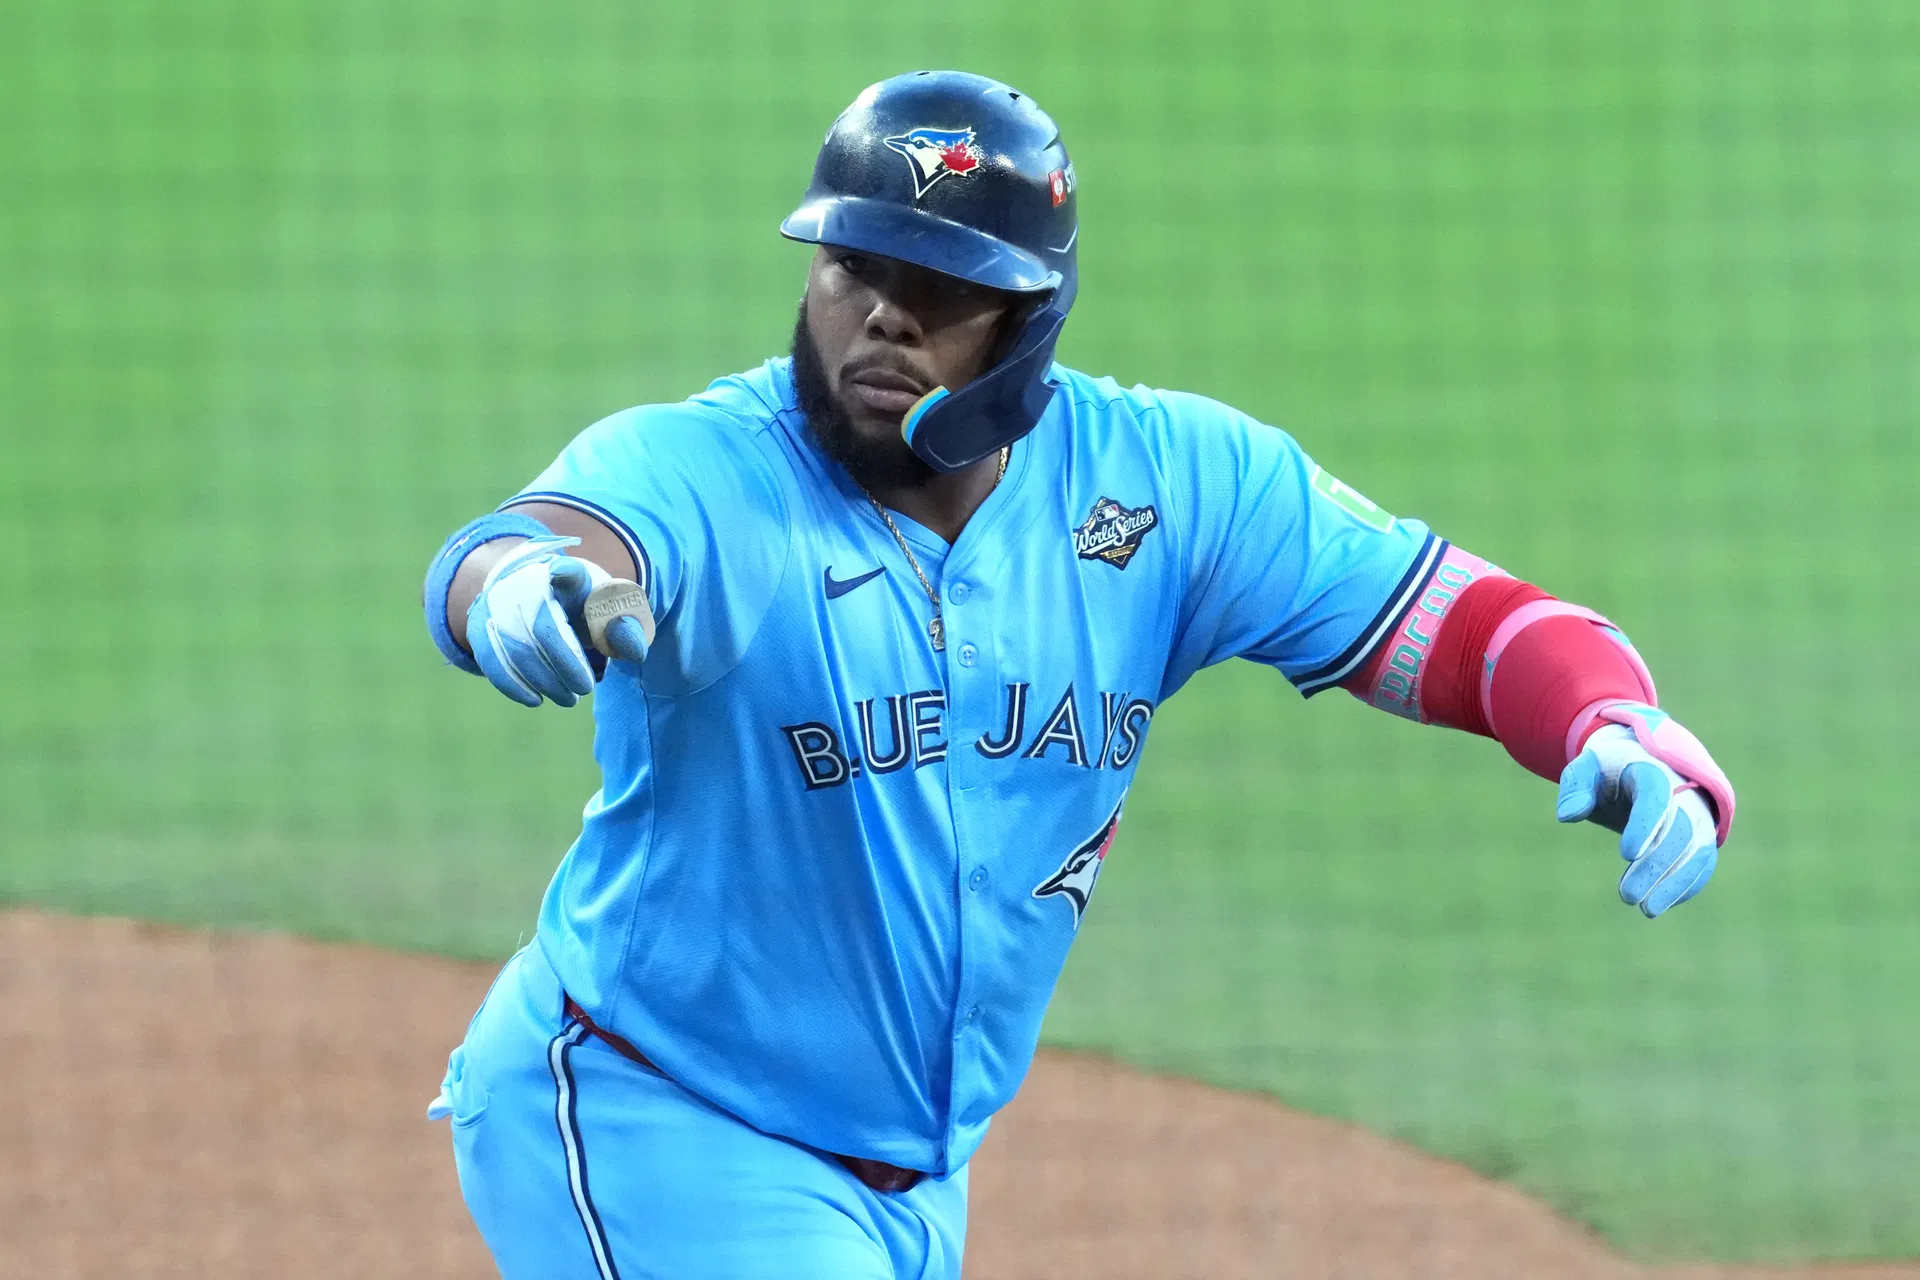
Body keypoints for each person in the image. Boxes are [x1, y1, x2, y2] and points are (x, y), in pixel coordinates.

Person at [421, 69, 1735, 1280]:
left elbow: (1459, 624)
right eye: (851, 266)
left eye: (937, 284)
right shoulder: (715, 473)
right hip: (660, 1113)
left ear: (1029, 321)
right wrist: (520, 592)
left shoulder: (1169, 488)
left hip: (908, 1179)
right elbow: (541, 538)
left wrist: (1608, 718)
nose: (882, 312)